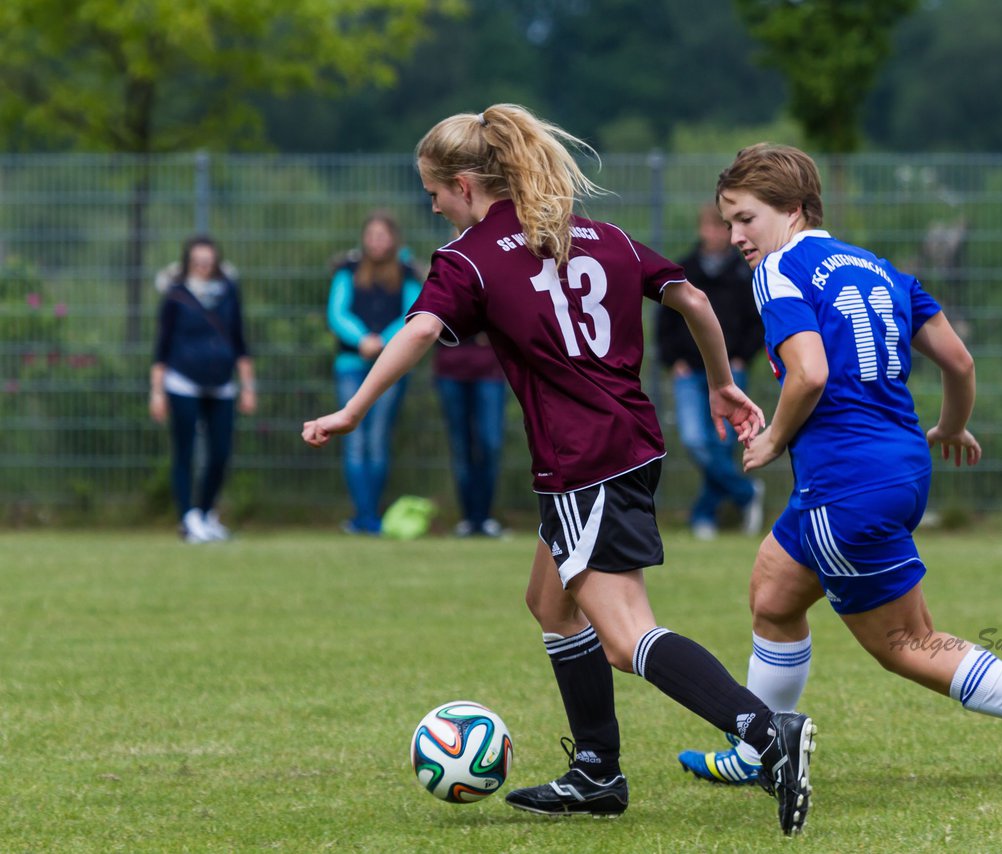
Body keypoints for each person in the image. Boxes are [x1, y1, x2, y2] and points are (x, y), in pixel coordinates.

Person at [301, 105, 815, 835]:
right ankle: (597, 773)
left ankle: (766, 731)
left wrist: (352, 409)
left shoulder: (470, 257)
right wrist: (721, 380)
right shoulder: (599, 235)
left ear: (465, 182)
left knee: (627, 635)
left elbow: (418, 330)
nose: (435, 207)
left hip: (584, 460)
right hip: (625, 442)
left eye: (435, 193)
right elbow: (692, 298)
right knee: (551, 603)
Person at [676, 144, 1002, 795]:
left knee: (906, 643)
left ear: (792, 210)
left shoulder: (778, 270)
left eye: (746, 218)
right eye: (729, 222)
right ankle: (760, 746)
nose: (736, 236)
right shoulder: (878, 268)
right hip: (899, 466)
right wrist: (954, 424)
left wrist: (772, 441)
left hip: (844, 483)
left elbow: (810, 372)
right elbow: (959, 363)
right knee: (772, 595)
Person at [656, 203, 766, 540]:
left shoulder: (744, 272)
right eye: (711, 227)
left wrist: (743, 358)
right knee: (694, 440)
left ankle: (703, 515)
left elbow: (756, 321)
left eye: (722, 228)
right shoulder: (683, 269)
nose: (716, 234)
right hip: (690, 371)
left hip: (731, 371)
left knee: (720, 446)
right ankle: (747, 493)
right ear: (701, 229)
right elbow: (665, 320)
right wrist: (673, 358)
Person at [150, 235, 256, 543]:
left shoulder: (228, 293)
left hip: (222, 383)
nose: (203, 266)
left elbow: (239, 341)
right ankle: (188, 518)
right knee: (184, 452)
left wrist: (248, 385)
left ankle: (207, 512)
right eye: (197, 262)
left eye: (208, 261)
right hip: (182, 382)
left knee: (220, 451)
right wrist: (157, 391)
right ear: (188, 263)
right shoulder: (176, 296)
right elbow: (162, 347)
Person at [326, 212, 424, 535]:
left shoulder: (407, 272)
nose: (377, 241)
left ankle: (369, 516)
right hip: (351, 366)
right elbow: (337, 313)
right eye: (372, 235)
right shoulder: (347, 270)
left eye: (383, 235)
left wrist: (383, 342)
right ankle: (364, 516)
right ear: (364, 238)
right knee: (354, 441)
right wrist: (362, 339)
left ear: (393, 239)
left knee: (377, 440)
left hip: (388, 366)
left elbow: (413, 315)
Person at [433, 333, 508, 538]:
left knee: (490, 445)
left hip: (490, 370)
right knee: (461, 448)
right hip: (450, 369)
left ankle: (484, 517)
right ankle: (469, 519)